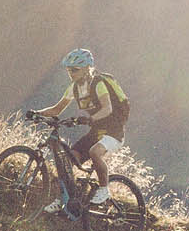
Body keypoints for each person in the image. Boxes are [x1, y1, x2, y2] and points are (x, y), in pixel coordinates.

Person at [30, 48, 131, 212]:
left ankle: (104, 189)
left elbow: (107, 109)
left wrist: (89, 119)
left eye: (75, 70)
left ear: (86, 68)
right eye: (69, 70)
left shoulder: (98, 84)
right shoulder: (74, 88)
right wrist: (36, 113)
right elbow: (57, 110)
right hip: (96, 131)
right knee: (68, 162)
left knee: (94, 152)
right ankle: (64, 200)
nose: (71, 73)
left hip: (114, 130)